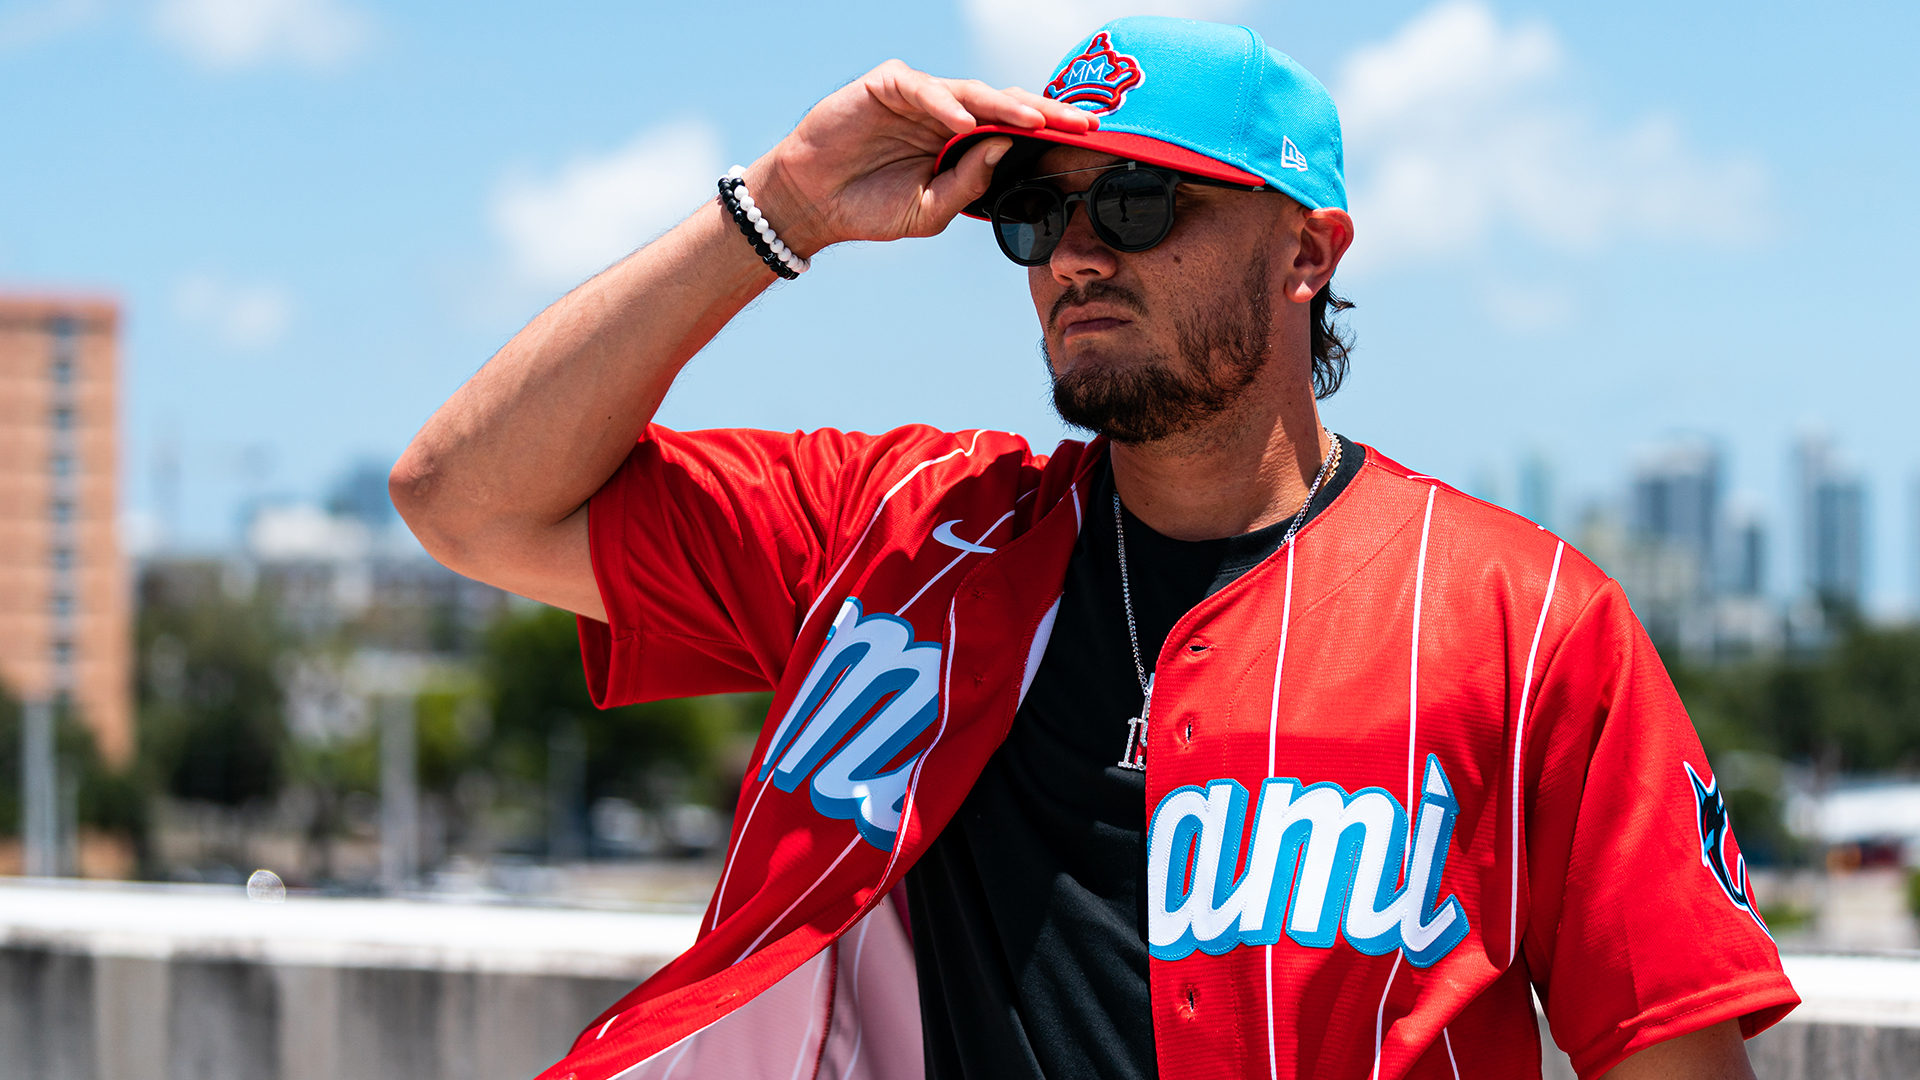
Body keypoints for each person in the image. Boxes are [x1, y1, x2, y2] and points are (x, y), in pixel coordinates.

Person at [392, 16, 1797, 1080]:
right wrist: (786, 207)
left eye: (1135, 204)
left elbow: (1667, 1049)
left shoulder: (1525, 616)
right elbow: (468, 499)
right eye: (1037, 211)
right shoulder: (902, 531)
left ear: (1306, 253)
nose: (1075, 254)